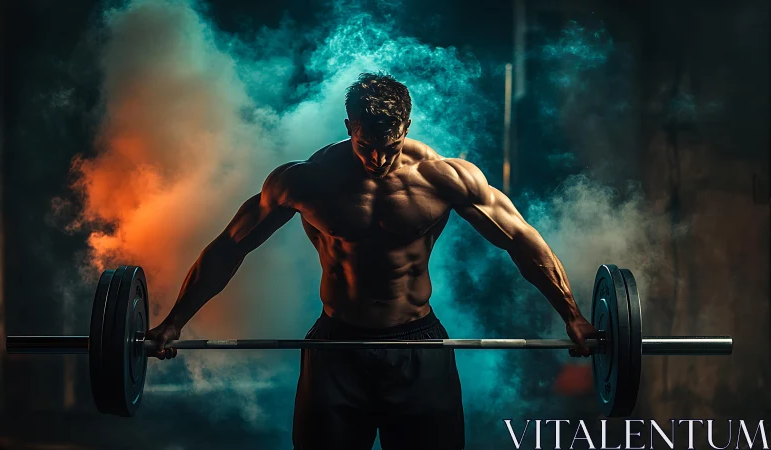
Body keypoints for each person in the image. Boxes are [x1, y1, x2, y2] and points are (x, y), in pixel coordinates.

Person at [146, 72, 598, 450]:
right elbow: (231, 246)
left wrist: (572, 315)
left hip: (418, 347)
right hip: (336, 349)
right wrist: (174, 322)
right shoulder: (306, 181)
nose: (377, 158)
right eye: (365, 145)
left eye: (390, 145)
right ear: (349, 127)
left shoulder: (443, 178)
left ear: (406, 128)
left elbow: (520, 240)